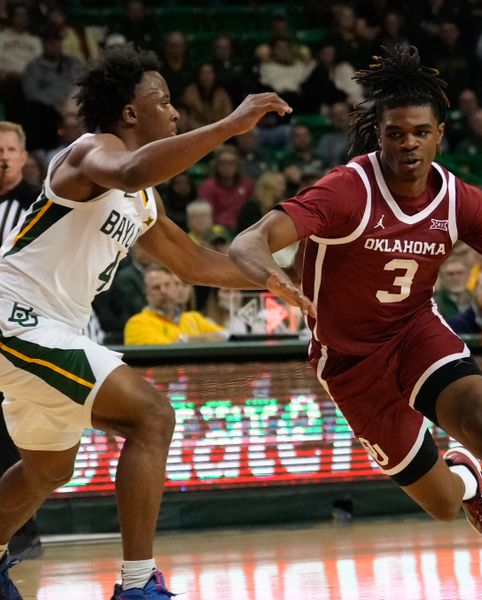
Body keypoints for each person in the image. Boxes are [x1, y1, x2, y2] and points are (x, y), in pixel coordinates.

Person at [229, 46, 482, 600]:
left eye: (420, 132)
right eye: (396, 133)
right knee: (443, 505)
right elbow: (247, 241)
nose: (408, 143)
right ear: (378, 135)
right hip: (349, 361)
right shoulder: (346, 189)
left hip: (416, 331)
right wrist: (272, 279)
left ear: (439, 134)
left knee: (481, 422)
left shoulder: (461, 200)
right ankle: (466, 480)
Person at [0, 45, 293, 599]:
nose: (176, 112)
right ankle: (138, 586)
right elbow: (133, 167)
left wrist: (278, 278)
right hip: (14, 315)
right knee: (152, 416)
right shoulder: (91, 151)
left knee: (46, 471)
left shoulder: (144, 201)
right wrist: (228, 126)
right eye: (164, 101)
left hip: (50, 328)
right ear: (132, 112)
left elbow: (196, 263)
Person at [0, 122, 44, 561]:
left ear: (23, 154)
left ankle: (24, 532)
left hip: (23, 331)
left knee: (16, 439)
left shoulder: (37, 200)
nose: (3, 156)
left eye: (10, 148)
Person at [124, 266, 227, 345]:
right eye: (156, 287)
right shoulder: (137, 323)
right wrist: (201, 338)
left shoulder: (193, 317)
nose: (163, 291)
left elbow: (226, 336)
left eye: (167, 285)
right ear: (146, 294)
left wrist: (184, 339)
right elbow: (166, 352)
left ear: (175, 287)